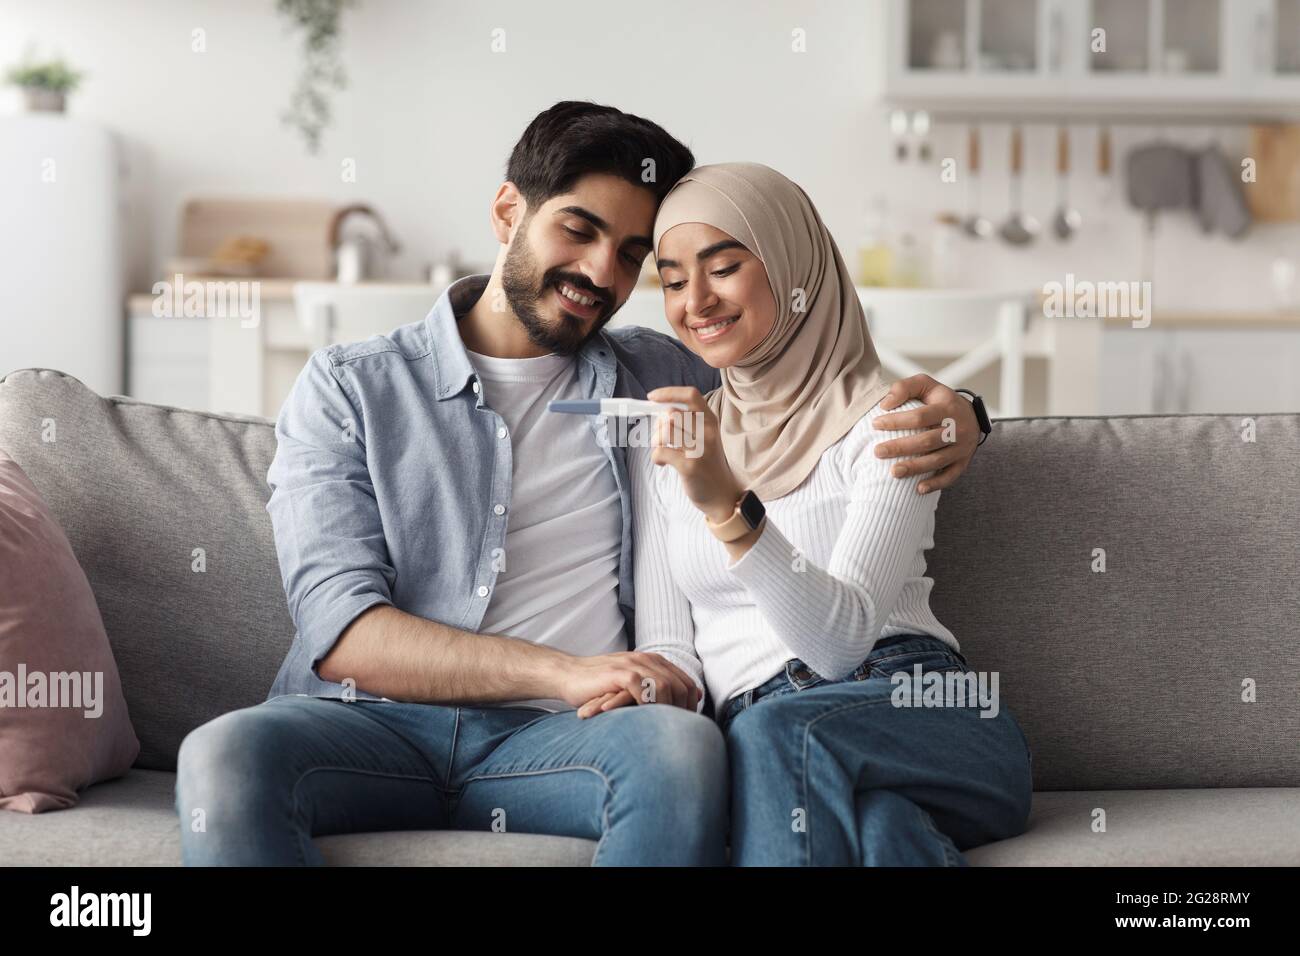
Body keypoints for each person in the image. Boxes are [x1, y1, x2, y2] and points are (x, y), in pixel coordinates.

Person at [174, 105, 985, 866]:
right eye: (580, 229)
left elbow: (807, 363)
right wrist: (565, 672)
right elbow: (344, 632)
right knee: (223, 754)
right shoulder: (348, 389)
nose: (602, 271)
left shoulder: (660, 375)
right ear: (506, 213)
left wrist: (964, 412)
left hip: (566, 742)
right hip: (367, 730)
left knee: (680, 749)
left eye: (634, 254)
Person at [579, 162, 1030, 866]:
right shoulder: (673, 440)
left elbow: (839, 643)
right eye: (671, 280)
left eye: (723, 267)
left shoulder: (893, 422)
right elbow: (673, 646)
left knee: (781, 737)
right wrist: (641, 685)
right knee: (882, 833)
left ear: (795, 267)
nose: (695, 300)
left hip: (916, 706)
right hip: (774, 742)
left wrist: (728, 505)